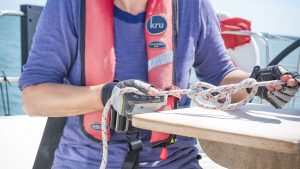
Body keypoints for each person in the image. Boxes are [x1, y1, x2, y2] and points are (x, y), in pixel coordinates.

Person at [19, 0, 299, 169]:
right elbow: (34, 98)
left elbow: (221, 75)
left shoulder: (191, 6)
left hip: (174, 160)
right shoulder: (68, 5)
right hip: (87, 161)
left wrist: (258, 83)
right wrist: (105, 95)